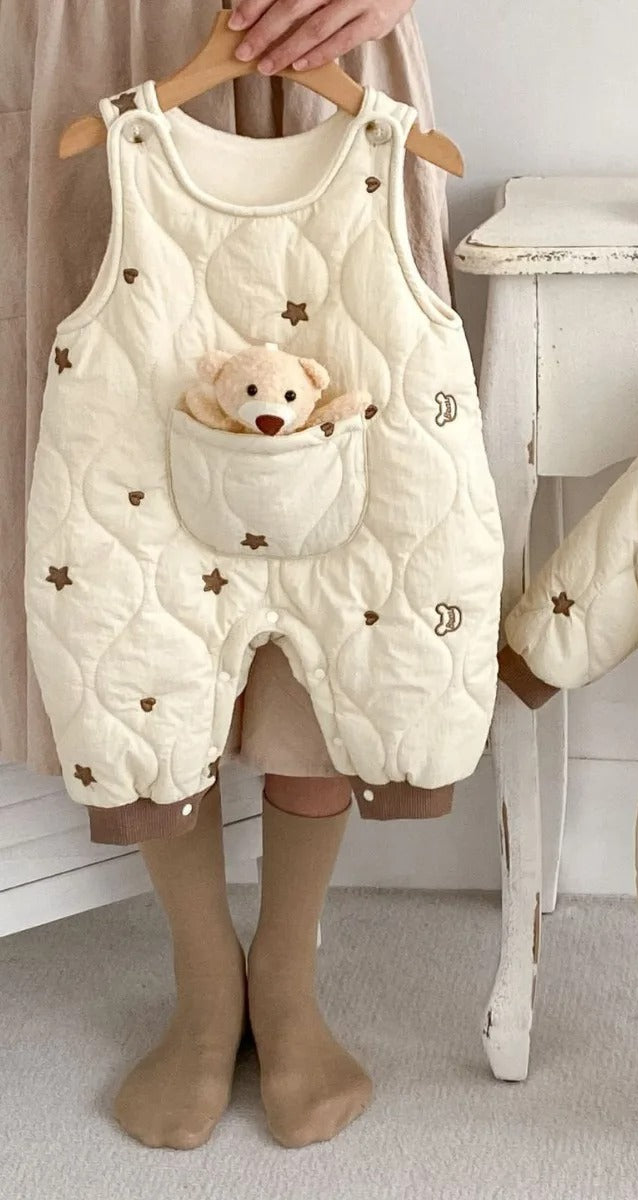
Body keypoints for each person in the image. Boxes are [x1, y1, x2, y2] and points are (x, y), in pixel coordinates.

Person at [3, 0, 451, 1149]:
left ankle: (286, 975)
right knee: (126, 544)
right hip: (91, 36)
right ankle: (206, 980)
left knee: (349, 532)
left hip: (332, 44)